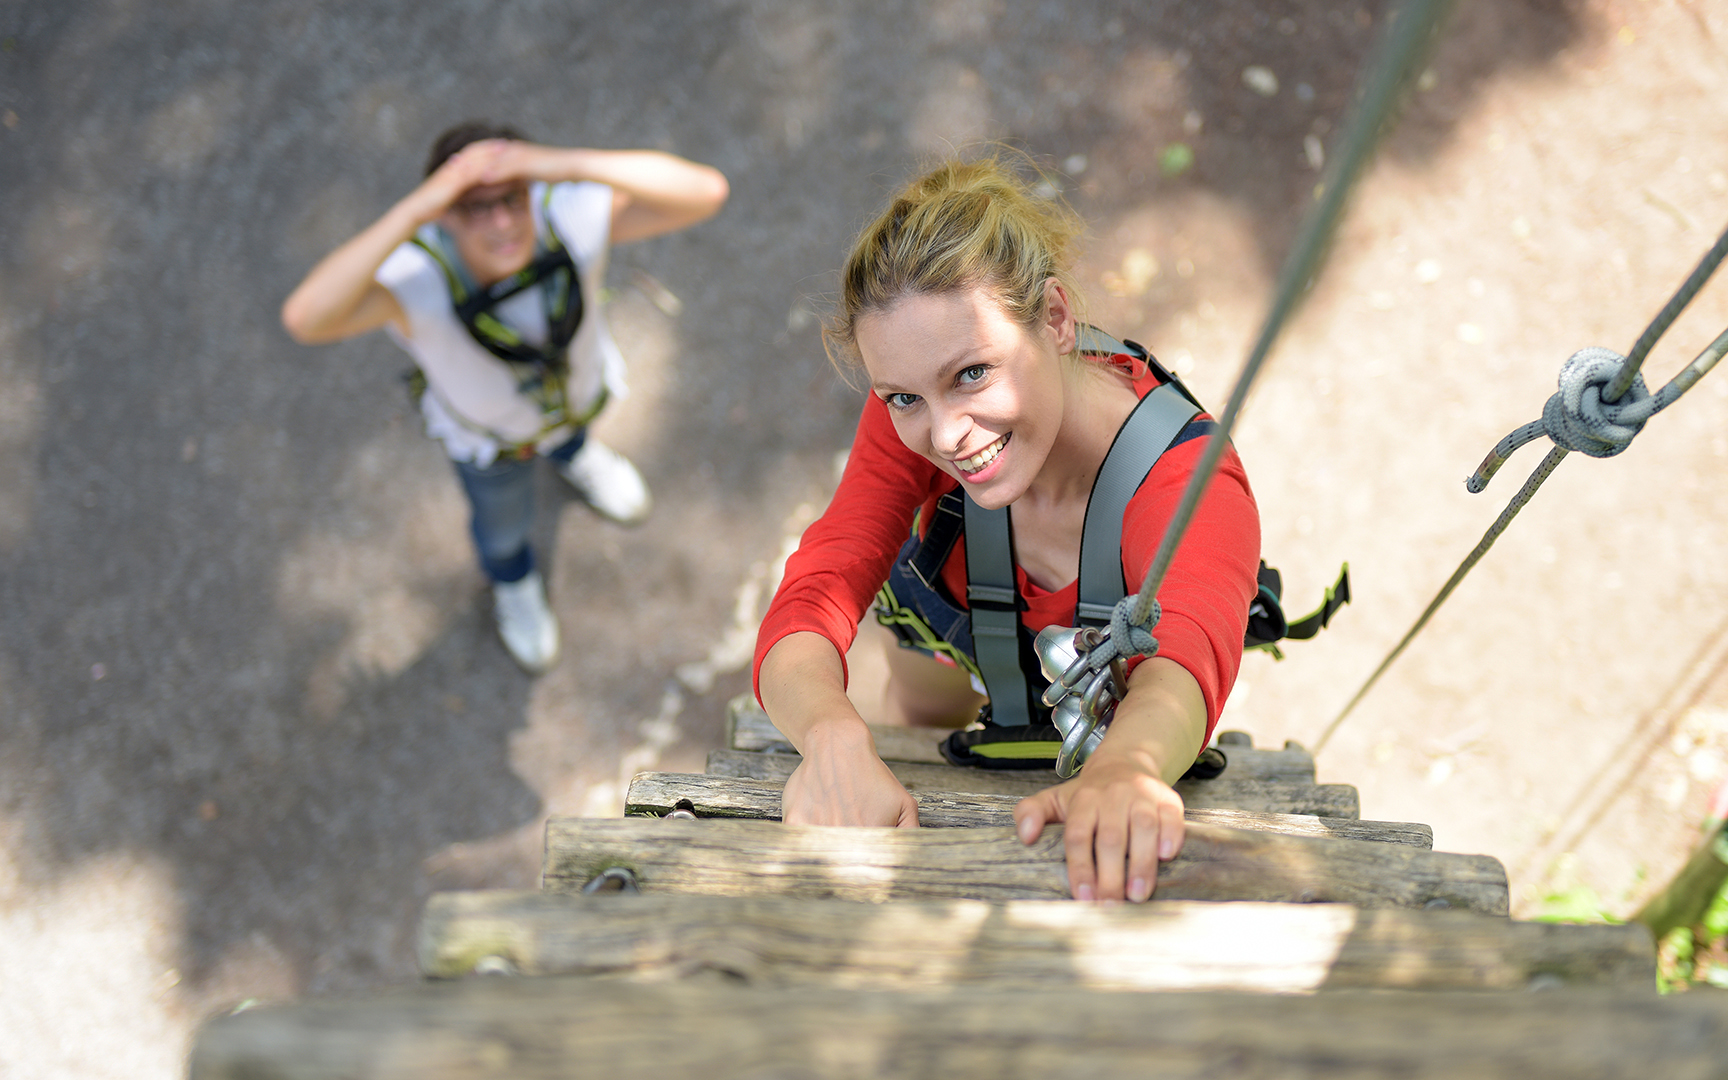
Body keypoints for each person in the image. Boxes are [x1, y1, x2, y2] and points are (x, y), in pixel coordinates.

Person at [752, 155, 1261, 903]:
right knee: (920, 715)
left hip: (1115, 672)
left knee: (1126, 715)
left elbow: (1185, 660)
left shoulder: (1190, 483)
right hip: (961, 632)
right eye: (902, 397)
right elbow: (823, 578)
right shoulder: (916, 401)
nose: (947, 434)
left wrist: (1128, 766)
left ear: (1055, 319)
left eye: (972, 375)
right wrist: (833, 734)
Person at [281, 122, 728, 672]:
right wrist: (416, 209)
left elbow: (705, 193)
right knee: (502, 525)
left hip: (574, 401)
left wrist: (557, 162)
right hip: (492, 444)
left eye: (512, 198)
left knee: (573, 435)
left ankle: (575, 456)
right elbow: (307, 317)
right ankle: (513, 581)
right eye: (473, 207)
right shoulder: (418, 276)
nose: (501, 222)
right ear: (442, 212)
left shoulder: (563, 219)